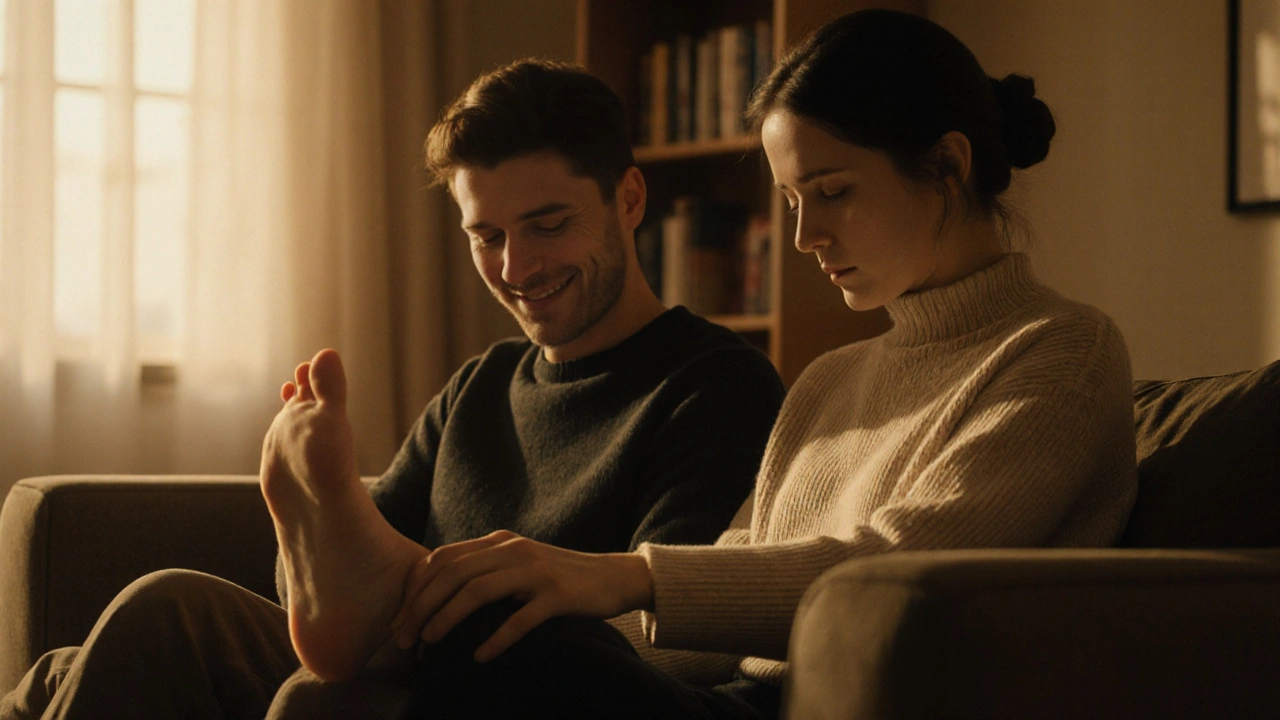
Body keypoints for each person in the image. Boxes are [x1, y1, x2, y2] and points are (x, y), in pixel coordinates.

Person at [255, 9, 1136, 719]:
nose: (802, 236)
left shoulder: (1060, 352)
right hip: (729, 693)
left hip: (811, 705)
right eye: (791, 201)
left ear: (947, 165)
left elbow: (892, 568)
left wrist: (615, 575)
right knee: (467, 644)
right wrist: (569, 620)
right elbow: (723, 595)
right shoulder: (834, 377)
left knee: (490, 637)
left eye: (831, 193)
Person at [0, 60, 785, 720]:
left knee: (316, 696)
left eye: (548, 224)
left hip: (495, 688)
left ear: (630, 201)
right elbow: (333, 593)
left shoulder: (716, 386)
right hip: (381, 657)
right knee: (160, 609)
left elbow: (664, 642)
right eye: (487, 235)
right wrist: (321, 533)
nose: (516, 268)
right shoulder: (479, 386)